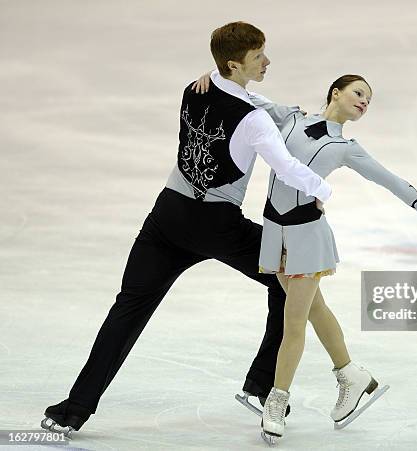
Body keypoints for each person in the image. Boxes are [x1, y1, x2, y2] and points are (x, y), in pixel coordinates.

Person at [40, 21, 332, 437]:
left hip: (168, 218)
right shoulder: (254, 121)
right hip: (218, 226)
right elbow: (286, 166)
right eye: (257, 58)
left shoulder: (194, 87)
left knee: (129, 308)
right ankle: (261, 386)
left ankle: (73, 408)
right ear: (234, 64)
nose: (267, 62)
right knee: (286, 280)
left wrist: (221, 79)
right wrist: (323, 190)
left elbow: (242, 96)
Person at [194, 72, 417, 441]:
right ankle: (351, 374)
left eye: (368, 100)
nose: (364, 101)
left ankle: (277, 399)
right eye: (358, 92)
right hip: (275, 233)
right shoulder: (290, 117)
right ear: (335, 92)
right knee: (315, 309)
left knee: (294, 321)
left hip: (307, 238)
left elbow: (391, 180)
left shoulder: (347, 147)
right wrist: (210, 78)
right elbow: (245, 97)